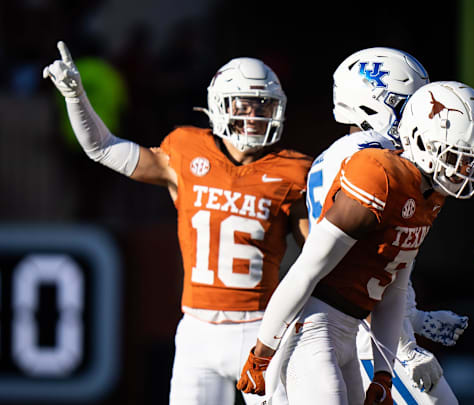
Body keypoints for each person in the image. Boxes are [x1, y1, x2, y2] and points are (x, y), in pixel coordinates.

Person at [43, 41, 312, 405]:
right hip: (197, 330)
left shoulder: (293, 170)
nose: (254, 116)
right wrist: (75, 97)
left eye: (264, 106)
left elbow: (317, 259)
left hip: (262, 329)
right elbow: (102, 148)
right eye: (246, 105)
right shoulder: (186, 150)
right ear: (221, 105)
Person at [236, 79, 474, 405]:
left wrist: (384, 374)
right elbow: (306, 270)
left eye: (473, 158)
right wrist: (262, 351)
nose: (466, 168)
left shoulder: (429, 195)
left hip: (350, 327)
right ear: (420, 140)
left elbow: (393, 290)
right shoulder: (380, 176)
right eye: (458, 156)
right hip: (311, 329)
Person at [304, 47, 473, 405]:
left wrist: (413, 317)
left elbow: (381, 266)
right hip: (366, 342)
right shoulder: (370, 160)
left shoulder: (347, 155)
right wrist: (405, 349)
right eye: (407, 103)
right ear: (370, 103)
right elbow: (351, 269)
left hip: (368, 334)